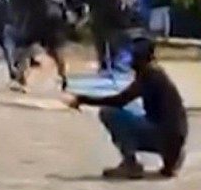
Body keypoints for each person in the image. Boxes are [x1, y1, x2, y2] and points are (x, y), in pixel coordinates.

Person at [66, 37, 187, 180]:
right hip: (174, 138)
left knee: (109, 114)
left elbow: (119, 101)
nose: (129, 62)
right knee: (136, 112)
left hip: (165, 136)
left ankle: (131, 164)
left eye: (133, 57)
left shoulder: (150, 74)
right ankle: (171, 160)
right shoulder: (155, 73)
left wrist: (82, 99)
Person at [8, 0, 69, 92]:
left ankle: (22, 80)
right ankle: (63, 78)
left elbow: (20, 13)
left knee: (23, 51)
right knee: (55, 52)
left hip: (37, 22)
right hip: (48, 21)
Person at [86, 0, 127, 73]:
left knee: (100, 40)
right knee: (113, 38)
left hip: (99, 14)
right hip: (114, 13)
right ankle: (114, 62)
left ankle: (104, 64)